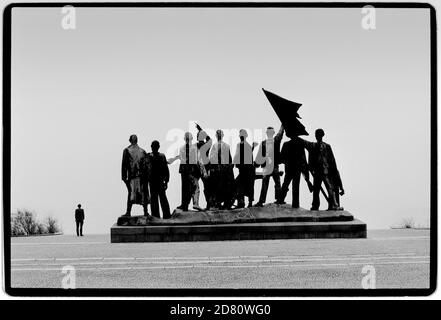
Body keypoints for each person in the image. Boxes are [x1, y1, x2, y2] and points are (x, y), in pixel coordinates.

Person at [302, 128, 343, 211]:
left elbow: (332, 160)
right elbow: (332, 161)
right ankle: (322, 205)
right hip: (322, 171)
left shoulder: (318, 146)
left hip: (322, 171)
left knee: (324, 189)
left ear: (317, 136)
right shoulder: (319, 146)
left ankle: (325, 205)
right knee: (322, 189)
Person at [168, 132, 203, 211]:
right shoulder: (194, 148)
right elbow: (198, 160)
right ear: (192, 139)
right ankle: (195, 203)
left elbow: (180, 157)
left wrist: (172, 160)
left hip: (184, 170)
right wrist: (202, 170)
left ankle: (184, 205)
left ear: (184, 139)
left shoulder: (181, 148)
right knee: (195, 187)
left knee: (185, 188)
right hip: (192, 170)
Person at [254, 125, 284, 207]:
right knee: (276, 184)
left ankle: (261, 201)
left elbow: (259, 156)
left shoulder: (266, 143)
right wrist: (283, 124)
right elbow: (280, 134)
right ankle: (278, 199)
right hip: (272, 167)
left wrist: (256, 164)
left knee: (267, 184)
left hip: (270, 167)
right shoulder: (274, 141)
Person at [279, 136, 313, 208]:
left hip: (289, 168)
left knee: (285, 184)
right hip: (297, 168)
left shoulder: (286, 144)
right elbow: (303, 159)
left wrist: (287, 161)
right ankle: (295, 204)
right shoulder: (300, 144)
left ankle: (281, 199)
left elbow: (281, 158)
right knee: (295, 186)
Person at [121, 134, 150, 216]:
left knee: (131, 194)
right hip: (141, 177)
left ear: (130, 140)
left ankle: (128, 212)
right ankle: (145, 212)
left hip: (132, 176)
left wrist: (124, 177)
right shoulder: (143, 151)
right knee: (142, 193)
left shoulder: (127, 150)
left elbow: (124, 165)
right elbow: (146, 166)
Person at [208, 129, 235, 209]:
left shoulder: (221, 146)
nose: (219, 135)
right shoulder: (218, 146)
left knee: (222, 186)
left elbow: (212, 158)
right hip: (221, 169)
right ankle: (220, 203)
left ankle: (223, 203)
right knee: (220, 186)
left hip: (222, 169)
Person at [233, 129, 257, 208]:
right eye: (240, 134)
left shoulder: (241, 145)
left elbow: (238, 155)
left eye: (242, 134)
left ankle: (244, 202)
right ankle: (244, 202)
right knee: (244, 185)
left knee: (241, 184)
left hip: (246, 169)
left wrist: (234, 163)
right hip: (246, 169)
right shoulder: (247, 145)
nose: (241, 136)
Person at [147, 140, 171, 219]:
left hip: (156, 181)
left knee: (159, 199)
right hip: (156, 181)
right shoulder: (151, 156)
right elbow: (166, 170)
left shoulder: (151, 156)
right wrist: (166, 181)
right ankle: (163, 215)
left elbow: (165, 170)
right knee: (158, 199)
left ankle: (158, 216)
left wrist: (166, 181)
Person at [195, 123, 213, 209]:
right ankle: (208, 204)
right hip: (204, 167)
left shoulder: (196, 146)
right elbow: (209, 139)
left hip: (200, 167)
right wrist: (200, 130)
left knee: (200, 187)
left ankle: (207, 204)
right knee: (207, 188)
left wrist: (200, 130)